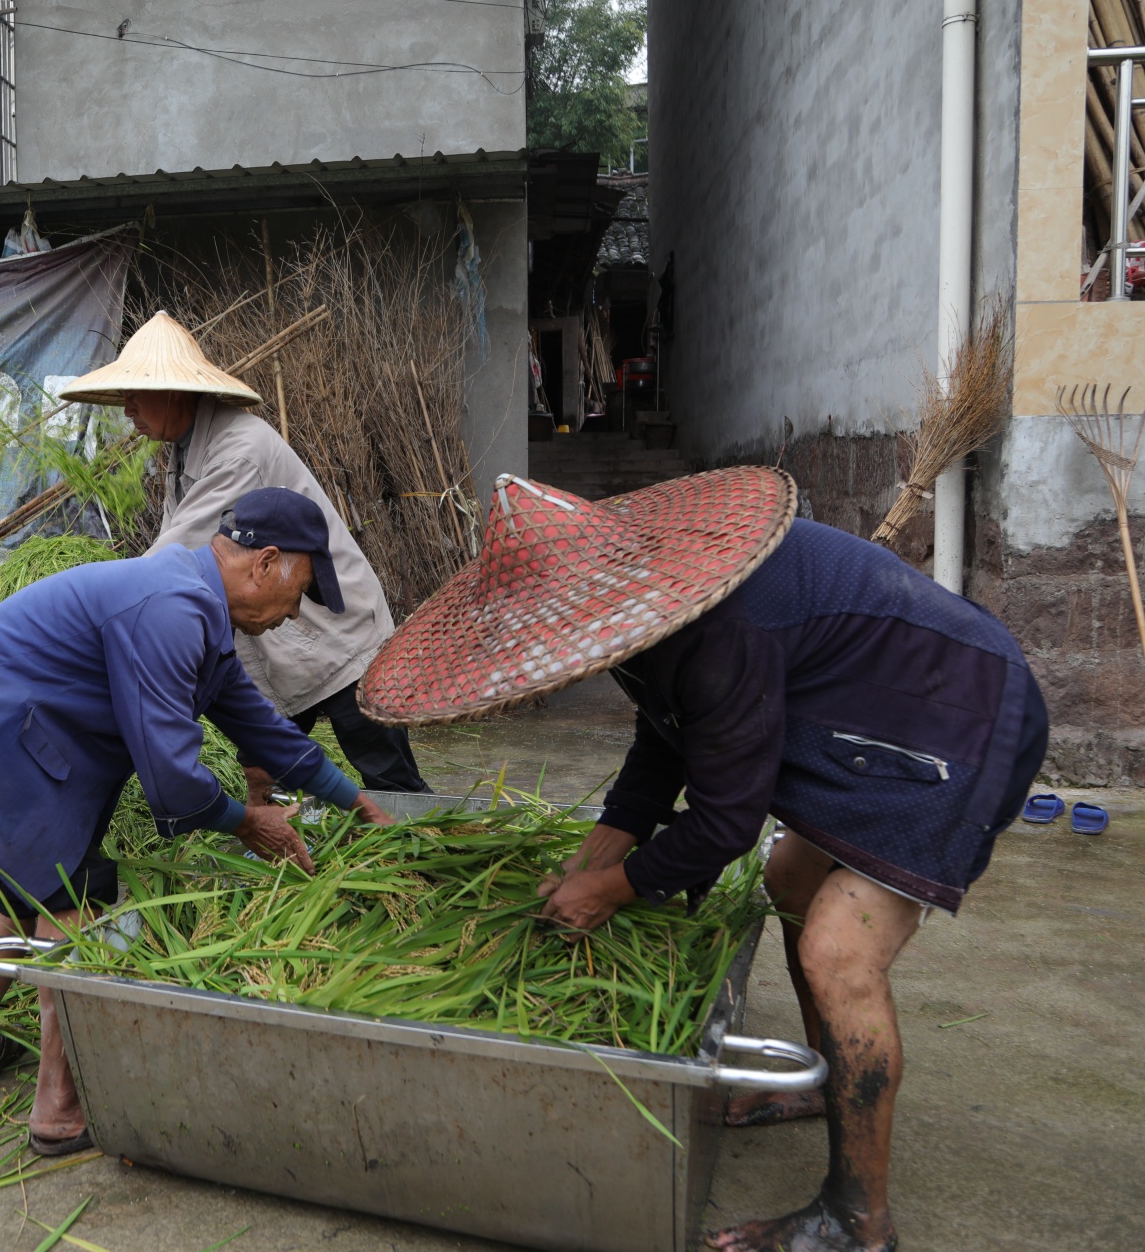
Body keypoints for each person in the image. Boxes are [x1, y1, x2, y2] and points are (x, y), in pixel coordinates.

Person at [358, 470, 1048, 1252]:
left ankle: (859, 1222)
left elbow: (725, 823)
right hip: (887, 704)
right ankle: (820, 1081)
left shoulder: (724, 630)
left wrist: (611, 890)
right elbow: (666, 737)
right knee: (789, 879)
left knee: (838, 952)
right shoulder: (647, 610)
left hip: (961, 720)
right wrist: (592, 858)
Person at [0, 486, 395, 1155]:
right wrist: (247, 824)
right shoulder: (172, 609)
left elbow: (264, 731)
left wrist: (356, 800)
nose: (293, 615)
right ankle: (59, 1108)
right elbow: (172, 779)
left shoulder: (195, 610)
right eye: (298, 594)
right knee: (78, 890)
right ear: (265, 564)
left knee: (18, 887)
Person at [60, 311, 430, 803]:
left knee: (388, 778)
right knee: (264, 768)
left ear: (173, 393)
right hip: (273, 632)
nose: (127, 407)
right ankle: (278, 857)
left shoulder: (239, 450)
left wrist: (93, 600)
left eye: (135, 392)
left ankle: (422, 860)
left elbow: (175, 556)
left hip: (330, 630)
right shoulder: (186, 448)